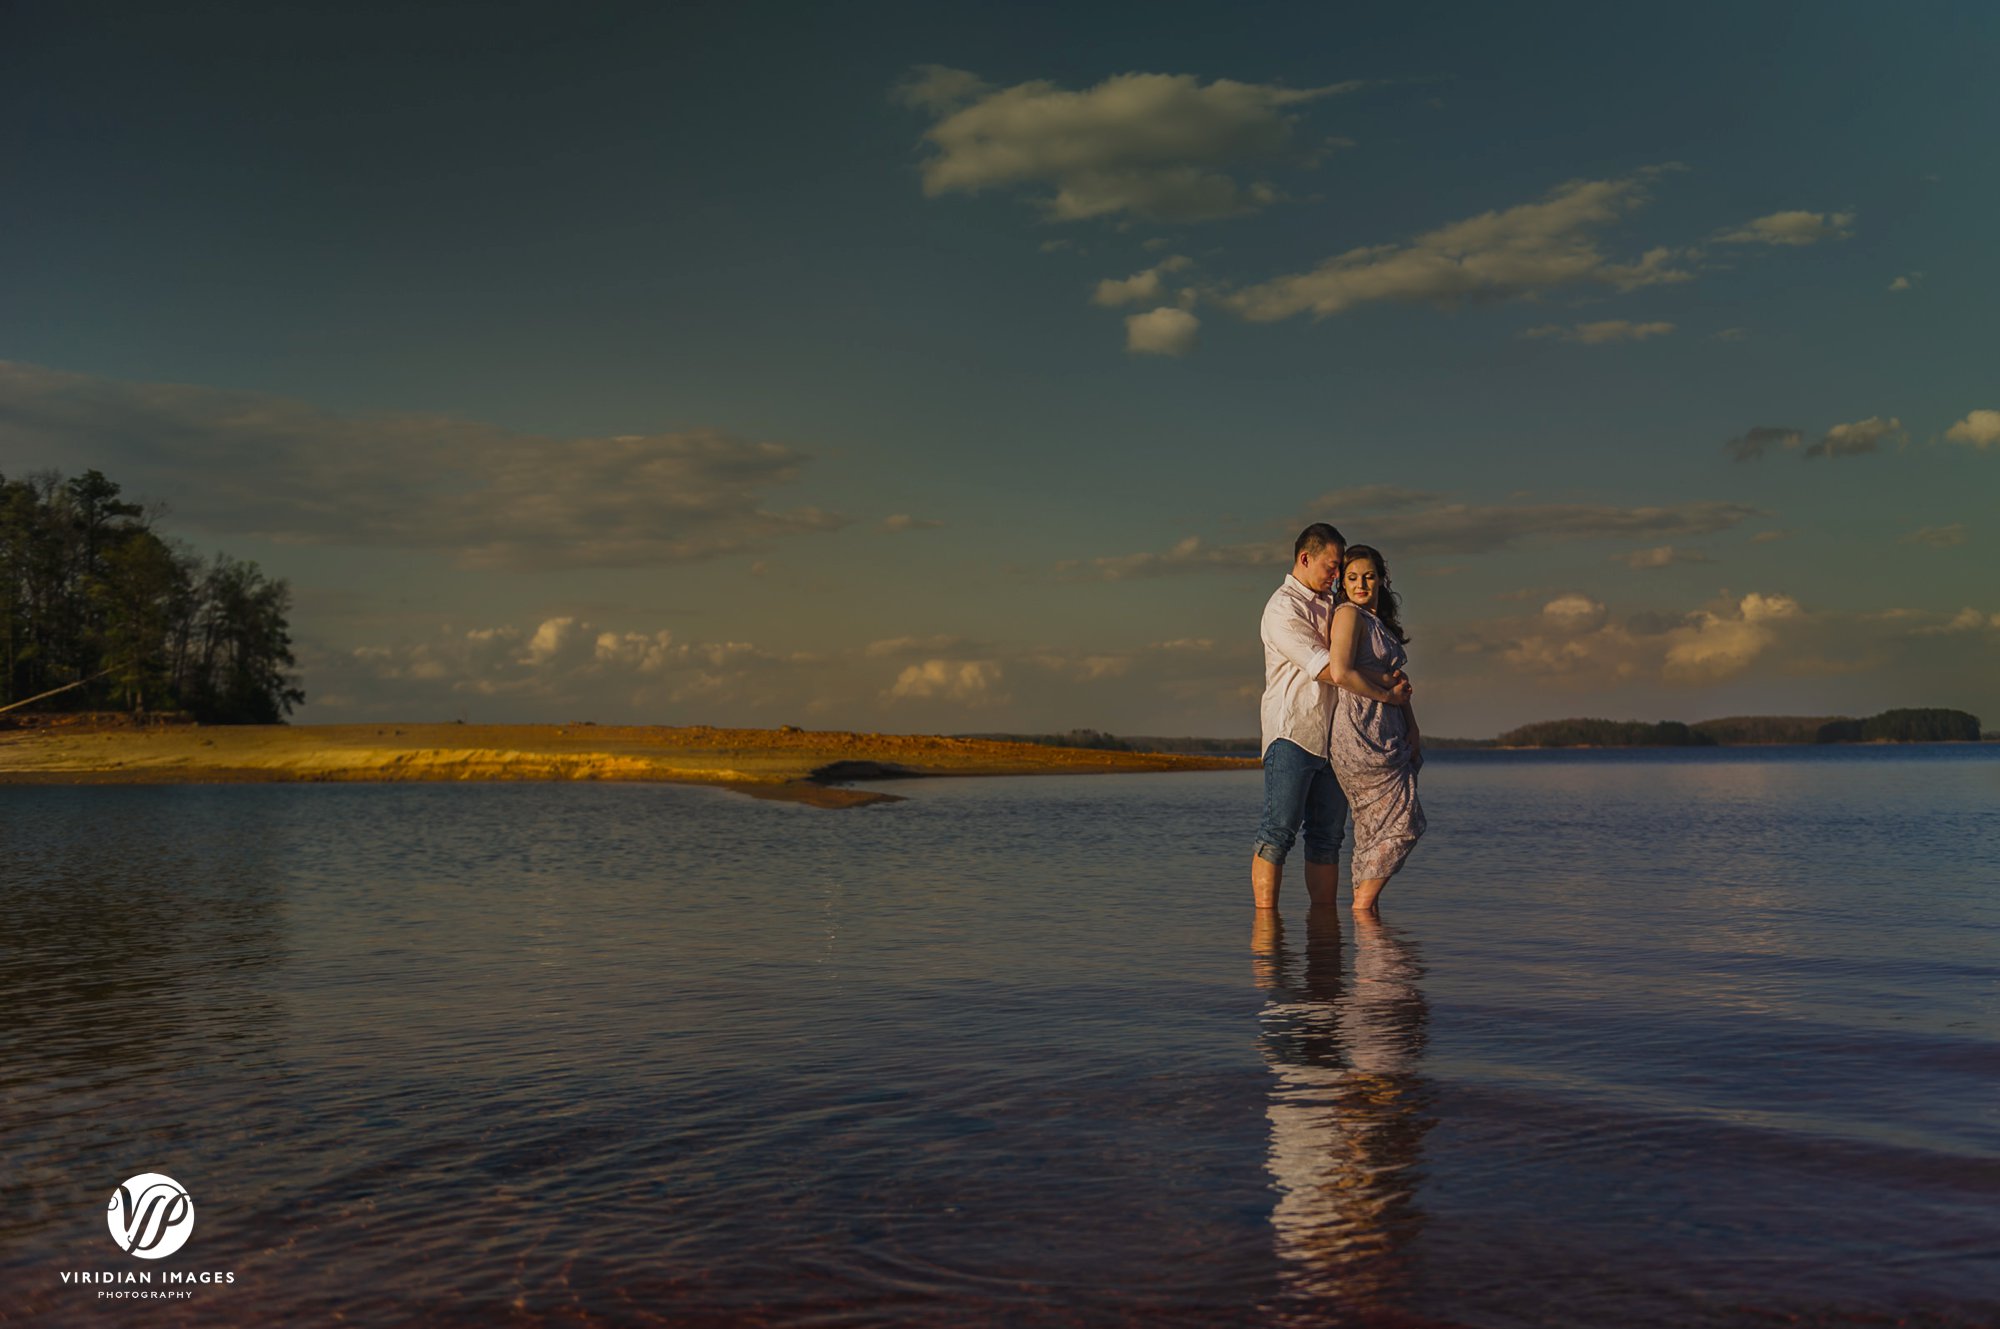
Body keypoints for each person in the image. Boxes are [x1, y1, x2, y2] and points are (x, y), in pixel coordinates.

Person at [1253, 524, 1411, 909]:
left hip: (1335, 739)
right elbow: (1329, 669)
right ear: (1305, 559)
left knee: (1327, 838)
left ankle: (1324, 931)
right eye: (1332, 566)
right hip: (1293, 733)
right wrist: (1387, 689)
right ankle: (1265, 927)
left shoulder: (1333, 603)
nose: (1337, 574)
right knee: (1279, 832)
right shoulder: (1282, 608)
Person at [1327, 544, 1425, 913]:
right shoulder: (1348, 616)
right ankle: (1363, 907)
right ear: (1342, 582)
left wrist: (1411, 726)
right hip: (1361, 731)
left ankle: (1368, 938)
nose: (1361, 583)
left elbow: (1398, 683)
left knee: (1373, 827)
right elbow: (1341, 672)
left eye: (1368, 576)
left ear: (1382, 579)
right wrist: (1387, 697)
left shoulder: (1377, 621)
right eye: (1352, 577)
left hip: (1389, 726)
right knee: (1404, 821)